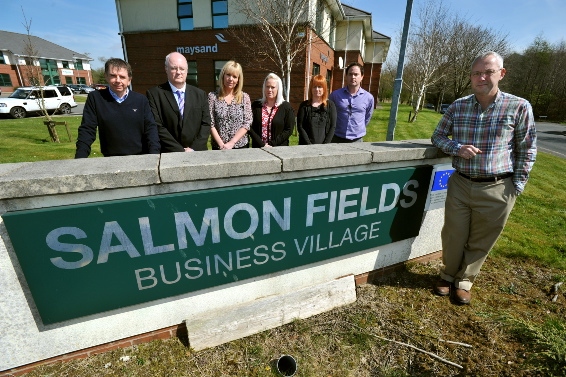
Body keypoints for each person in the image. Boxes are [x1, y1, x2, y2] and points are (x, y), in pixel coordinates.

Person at [431, 51, 537, 305]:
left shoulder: (519, 106)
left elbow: (528, 148)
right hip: (461, 182)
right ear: (471, 77)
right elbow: (438, 137)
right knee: (453, 234)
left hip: (498, 187)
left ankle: (465, 280)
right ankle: (447, 275)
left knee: (482, 238)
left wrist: (516, 186)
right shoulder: (458, 106)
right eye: (477, 73)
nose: (481, 77)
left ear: (501, 74)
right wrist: (457, 148)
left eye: (488, 72)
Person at [75, 58, 160, 158]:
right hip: (111, 159)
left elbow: (151, 129)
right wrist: (80, 158)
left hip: (140, 157)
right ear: (106, 76)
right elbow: (87, 129)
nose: (118, 80)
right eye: (113, 76)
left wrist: (154, 156)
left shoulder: (141, 100)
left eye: (122, 77)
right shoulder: (95, 98)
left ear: (129, 80)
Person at [146, 52, 211, 152]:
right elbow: (157, 125)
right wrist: (180, 150)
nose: (178, 72)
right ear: (166, 69)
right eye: (174, 68)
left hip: (197, 153)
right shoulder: (154, 94)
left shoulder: (200, 94)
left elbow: (206, 124)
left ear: (187, 70)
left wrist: (194, 148)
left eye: (182, 68)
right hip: (169, 153)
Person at [208, 61, 252, 149]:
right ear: (223, 75)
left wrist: (232, 142)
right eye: (228, 75)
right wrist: (221, 144)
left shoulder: (244, 97)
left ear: (238, 80)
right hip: (219, 147)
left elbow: (247, 122)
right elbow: (210, 123)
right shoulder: (212, 97)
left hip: (240, 147)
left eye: (235, 76)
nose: (231, 79)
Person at [328, 62, 374, 143]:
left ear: (362, 77)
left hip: (357, 139)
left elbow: (367, 117)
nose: (353, 77)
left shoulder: (368, 98)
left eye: (356, 74)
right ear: (346, 76)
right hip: (337, 138)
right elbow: (329, 115)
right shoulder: (335, 95)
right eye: (350, 74)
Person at [249, 73, 294, 148]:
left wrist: (271, 144)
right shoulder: (256, 105)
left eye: (272, 87)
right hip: (258, 149)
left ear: (278, 89)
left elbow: (289, 130)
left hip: (279, 149)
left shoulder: (286, 107)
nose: (269, 90)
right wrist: (262, 144)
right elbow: (250, 127)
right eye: (267, 87)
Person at [297, 74, 337, 145]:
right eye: (314, 87)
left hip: (324, 147)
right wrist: (309, 145)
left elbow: (332, 126)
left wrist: (325, 145)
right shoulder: (304, 106)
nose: (317, 89)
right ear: (311, 89)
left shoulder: (330, 105)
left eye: (320, 87)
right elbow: (300, 127)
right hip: (306, 146)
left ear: (324, 88)